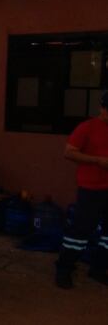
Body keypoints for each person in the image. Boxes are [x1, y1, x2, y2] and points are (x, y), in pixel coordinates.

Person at [56, 91, 108, 289]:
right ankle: (64, 269)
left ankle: (98, 269)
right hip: (91, 189)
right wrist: (97, 161)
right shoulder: (87, 127)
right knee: (80, 231)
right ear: (102, 108)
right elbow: (69, 152)